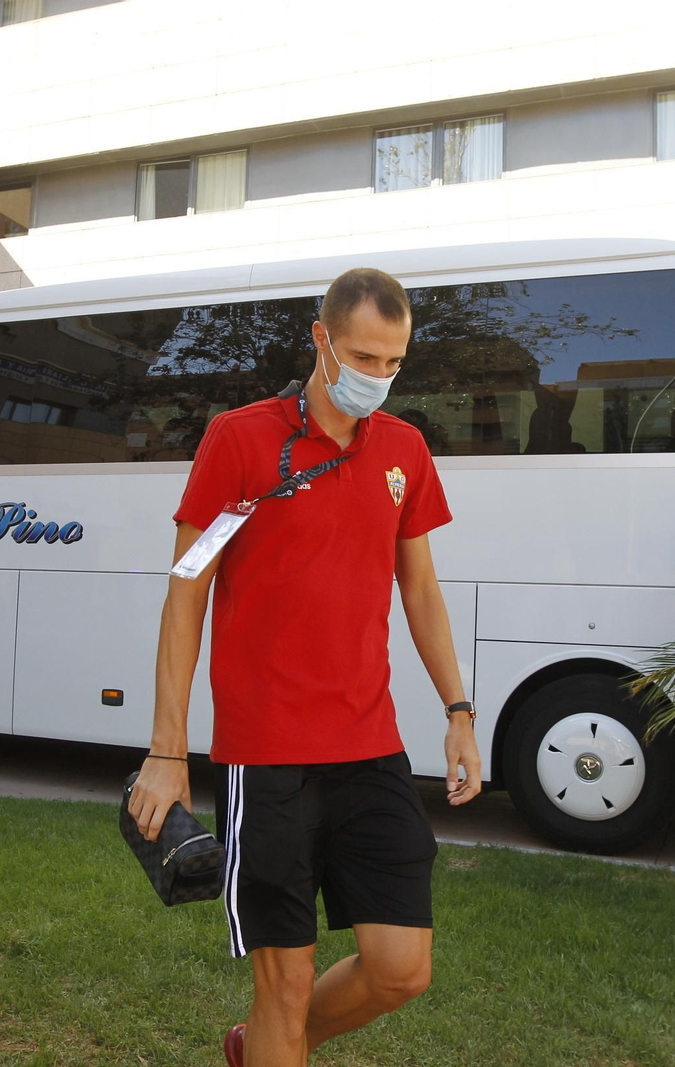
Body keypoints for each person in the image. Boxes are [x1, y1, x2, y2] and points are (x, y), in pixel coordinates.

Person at [128, 267, 482, 1066]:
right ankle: (273, 1038)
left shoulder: (404, 449)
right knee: (284, 985)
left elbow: (419, 586)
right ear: (320, 340)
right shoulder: (241, 439)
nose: (377, 378)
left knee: (402, 966)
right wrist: (166, 750)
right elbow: (187, 594)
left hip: (370, 746)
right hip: (269, 754)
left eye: (394, 362)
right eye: (363, 356)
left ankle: (261, 1050)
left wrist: (458, 711)